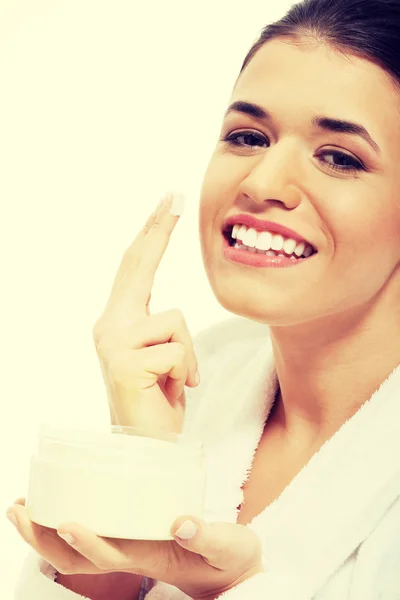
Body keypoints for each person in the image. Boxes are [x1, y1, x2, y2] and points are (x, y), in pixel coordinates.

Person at [6, 0, 400, 597]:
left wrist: (235, 588)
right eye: (247, 136)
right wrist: (136, 478)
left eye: (339, 158)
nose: (262, 183)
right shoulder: (200, 378)